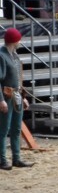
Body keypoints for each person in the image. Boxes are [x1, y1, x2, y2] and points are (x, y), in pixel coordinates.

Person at [0, 28, 33, 170]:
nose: (20, 42)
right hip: (6, 95)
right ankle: (2, 159)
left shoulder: (15, 56)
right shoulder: (2, 56)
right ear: (14, 40)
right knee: (4, 128)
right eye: (19, 39)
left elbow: (18, 80)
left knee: (16, 128)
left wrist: (23, 96)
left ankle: (16, 158)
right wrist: (0, 100)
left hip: (16, 95)